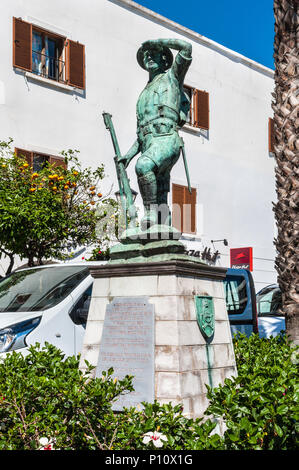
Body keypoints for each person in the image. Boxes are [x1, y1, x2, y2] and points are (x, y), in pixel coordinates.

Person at [119, 38, 192, 230]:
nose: (149, 56)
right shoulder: (143, 94)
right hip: (149, 142)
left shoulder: (172, 78)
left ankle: (149, 213)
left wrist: (160, 41)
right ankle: (162, 221)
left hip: (167, 138)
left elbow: (187, 48)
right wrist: (129, 154)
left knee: (144, 166)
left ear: (165, 60)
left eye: (154, 53)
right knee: (160, 188)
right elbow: (142, 131)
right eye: (146, 55)